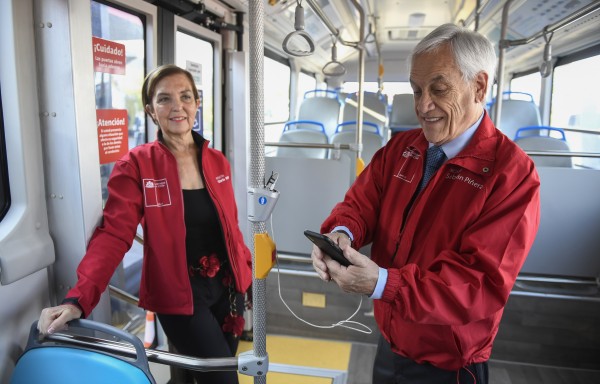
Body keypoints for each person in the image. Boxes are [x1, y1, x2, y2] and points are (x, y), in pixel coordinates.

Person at [311, 23, 540, 383]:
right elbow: (359, 204)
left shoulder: (511, 175)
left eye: (438, 89)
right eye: (417, 91)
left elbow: (477, 284)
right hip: (390, 341)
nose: (422, 106)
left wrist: (384, 284)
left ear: (479, 87)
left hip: (449, 365)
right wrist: (341, 234)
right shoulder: (402, 149)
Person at [38, 64, 252, 384]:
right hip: (178, 295)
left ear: (197, 103)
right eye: (165, 99)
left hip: (227, 289)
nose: (177, 106)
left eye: (185, 96)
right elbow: (113, 234)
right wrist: (78, 299)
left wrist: (246, 273)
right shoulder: (136, 165)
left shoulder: (216, 160)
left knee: (205, 373)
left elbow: (229, 228)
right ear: (151, 110)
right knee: (222, 379)